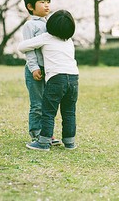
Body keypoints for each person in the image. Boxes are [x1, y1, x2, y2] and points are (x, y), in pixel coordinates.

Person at [18, 10, 79, 151]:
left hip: (57, 79)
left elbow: (21, 47)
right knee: (69, 112)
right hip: (74, 78)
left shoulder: (46, 37)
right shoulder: (69, 41)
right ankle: (70, 142)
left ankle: (43, 142)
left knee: (48, 112)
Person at [22, 0, 60, 145]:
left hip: (50, 69)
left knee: (48, 103)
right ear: (30, 6)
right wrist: (34, 68)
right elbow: (28, 49)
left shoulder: (49, 24)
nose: (47, 5)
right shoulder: (30, 26)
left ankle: (47, 134)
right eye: (42, 2)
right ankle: (37, 134)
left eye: (48, 2)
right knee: (37, 104)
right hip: (36, 70)